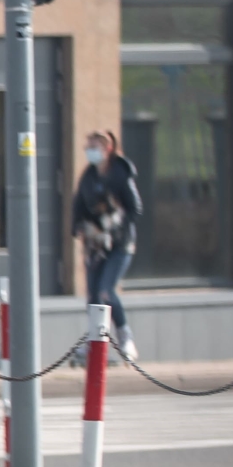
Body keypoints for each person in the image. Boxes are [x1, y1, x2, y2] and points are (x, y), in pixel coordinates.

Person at [71, 130, 142, 362]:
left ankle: (125, 338)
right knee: (93, 294)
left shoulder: (121, 173)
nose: (89, 150)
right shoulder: (88, 177)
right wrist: (79, 227)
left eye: (94, 146)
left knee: (105, 290)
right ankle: (94, 343)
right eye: (87, 145)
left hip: (120, 244)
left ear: (107, 148)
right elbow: (78, 205)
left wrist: (115, 225)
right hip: (97, 245)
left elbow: (135, 209)